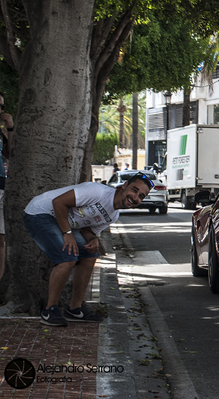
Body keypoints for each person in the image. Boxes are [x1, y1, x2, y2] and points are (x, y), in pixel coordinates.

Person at [23, 172, 152, 326]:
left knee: (90, 254)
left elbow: (88, 229)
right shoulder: (97, 192)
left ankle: (75, 309)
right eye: (134, 190)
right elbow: (58, 203)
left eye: (141, 196)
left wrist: (93, 239)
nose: (135, 197)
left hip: (63, 224)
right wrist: (67, 233)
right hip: (40, 213)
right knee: (68, 256)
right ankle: (49, 310)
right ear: (124, 186)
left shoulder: (113, 215)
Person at [0, 99, 13, 281]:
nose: (0, 109)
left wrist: (10, 129)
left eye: (2, 106)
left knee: (1, 240)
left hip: (1, 186)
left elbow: (11, 155)